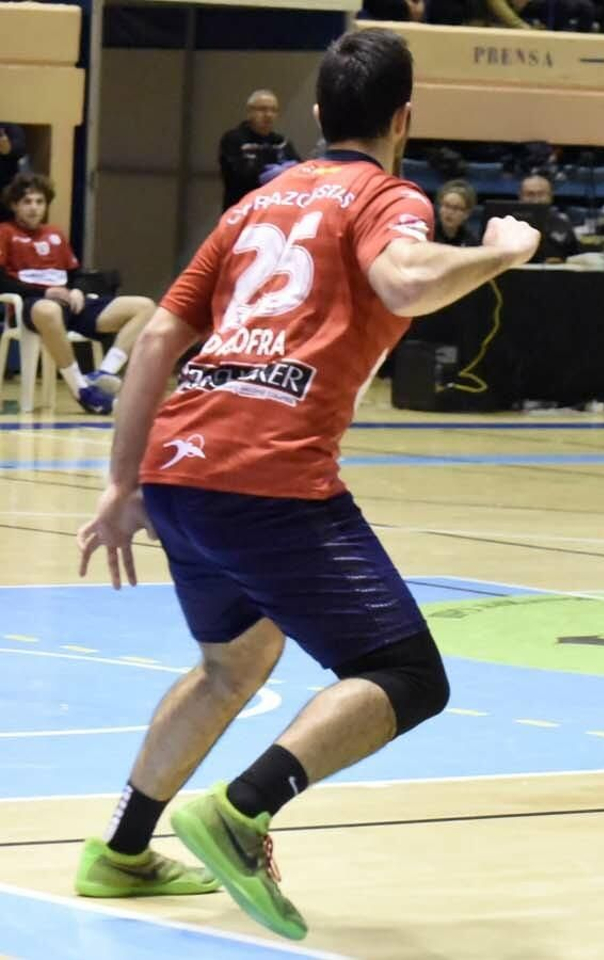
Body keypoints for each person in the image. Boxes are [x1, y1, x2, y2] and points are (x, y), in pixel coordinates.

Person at [72, 29, 541, 940]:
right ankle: (242, 812)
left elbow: (162, 339)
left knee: (233, 662)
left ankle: (122, 851)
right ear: (405, 118)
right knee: (406, 674)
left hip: (180, 469)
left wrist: (123, 482)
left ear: (318, 115)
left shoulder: (255, 201)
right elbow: (404, 281)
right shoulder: (385, 194)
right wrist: (499, 252)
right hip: (268, 475)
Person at [0, 173, 156, 414]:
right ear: (14, 205)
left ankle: (103, 373)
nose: (34, 208)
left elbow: (76, 273)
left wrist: (79, 291)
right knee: (48, 308)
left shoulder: (55, 234)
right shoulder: (5, 232)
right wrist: (44, 292)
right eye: (27, 202)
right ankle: (81, 390)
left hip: (70, 307)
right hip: (34, 307)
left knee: (145, 306)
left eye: (39, 202)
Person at [217, 90, 300, 209]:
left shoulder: (281, 142)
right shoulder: (234, 140)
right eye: (262, 109)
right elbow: (240, 176)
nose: (268, 115)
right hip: (241, 209)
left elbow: (299, 170)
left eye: (273, 110)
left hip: (272, 210)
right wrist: (275, 172)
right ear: (250, 112)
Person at [519, 174, 581, 261]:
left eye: (541, 194)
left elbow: (575, 258)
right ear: (521, 196)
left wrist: (562, 261)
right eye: (530, 194)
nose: (536, 200)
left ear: (550, 196)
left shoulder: (563, 223)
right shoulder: (509, 225)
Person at [436, 179, 481, 247]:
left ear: (466, 213)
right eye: (446, 205)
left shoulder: (472, 242)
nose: (450, 212)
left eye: (456, 208)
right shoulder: (426, 235)